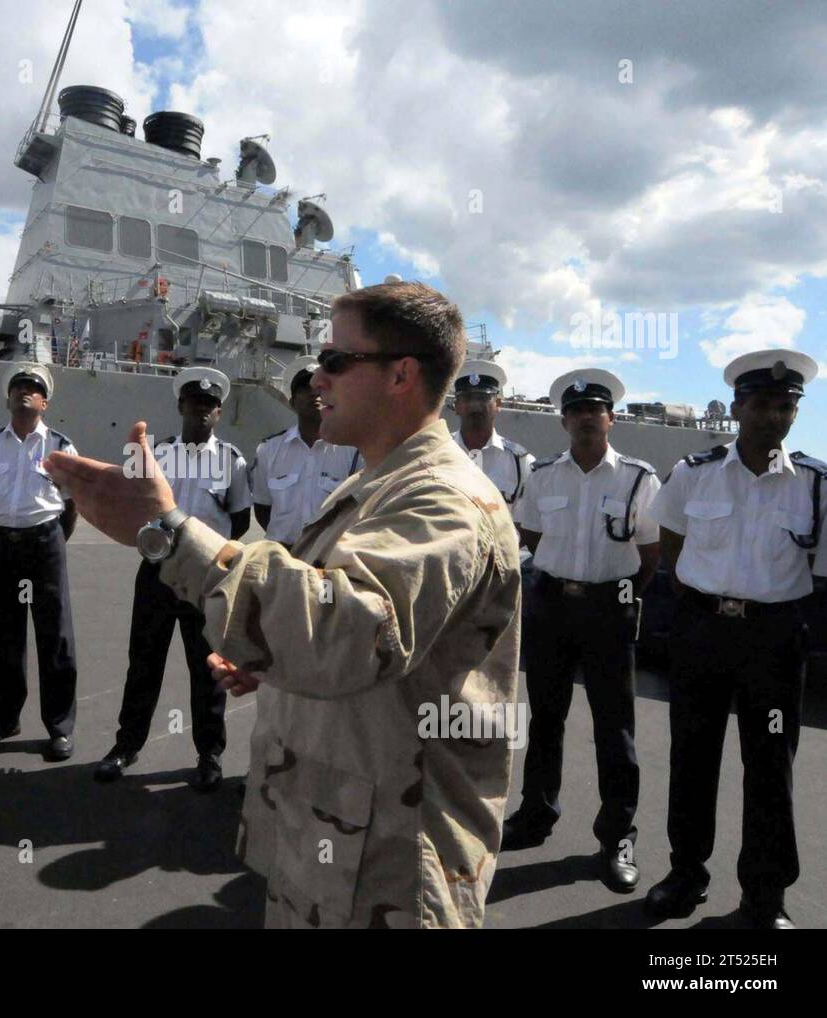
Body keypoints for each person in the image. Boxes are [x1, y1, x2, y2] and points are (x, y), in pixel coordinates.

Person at [45, 281, 522, 928]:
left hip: (390, 869)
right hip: (338, 838)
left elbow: (350, 632)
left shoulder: (442, 498)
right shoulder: (376, 482)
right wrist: (274, 661)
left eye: (335, 361)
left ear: (401, 375)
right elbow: (349, 623)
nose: (315, 378)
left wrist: (169, 532)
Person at [642, 349, 820, 930]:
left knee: (770, 768)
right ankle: (685, 874)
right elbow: (671, 546)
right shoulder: (693, 473)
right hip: (701, 635)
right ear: (738, 407)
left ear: (796, 412)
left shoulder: (816, 486)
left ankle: (765, 898)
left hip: (772, 644)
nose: (773, 415)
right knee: (693, 758)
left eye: (786, 405)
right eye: (762, 404)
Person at [504, 368, 661, 893]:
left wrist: (615, 596)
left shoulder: (639, 478)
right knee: (545, 719)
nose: (586, 419)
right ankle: (535, 815)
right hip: (550, 607)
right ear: (565, 421)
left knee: (614, 730)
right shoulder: (544, 474)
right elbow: (527, 534)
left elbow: (651, 553)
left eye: (595, 410)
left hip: (608, 613)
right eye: (576, 412)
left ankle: (617, 838)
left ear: (611, 418)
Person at [95, 367, 252, 792]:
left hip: (205, 577)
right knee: (144, 662)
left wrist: (205, 555)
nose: (201, 411)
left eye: (209, 406)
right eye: (194, 404)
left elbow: (239, 521)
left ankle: (209, 754)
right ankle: (125, 747)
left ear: (218, 412)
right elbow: (133, 505)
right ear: (181, 406)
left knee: (207, 669)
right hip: (158, 571)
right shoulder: (158, 454)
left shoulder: (232, 460)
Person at [0, 363, 80, 761]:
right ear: (8, 398)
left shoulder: (62, 448)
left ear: (45, 402)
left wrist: (48, 538)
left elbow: (70, 506)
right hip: (3, 546)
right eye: (18, 388)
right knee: (4, 636)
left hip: (45, 544)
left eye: (33, 389)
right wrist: (12, 528)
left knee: (55, 638)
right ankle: (5, 718)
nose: (24, 393)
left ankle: (59, 727)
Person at [251, 355, 362, 546]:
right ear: (292, 403)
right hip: (280, 552)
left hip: (327, 555)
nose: (313, 394)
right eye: (305, 389)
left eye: (320, 389)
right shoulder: (269, 449)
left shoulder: (353, 450)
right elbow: (262, 507)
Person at [451, 359, 533, 509]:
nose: (475, 405)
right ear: (456, 406)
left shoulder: (520, 463)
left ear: (498, 404)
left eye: (483, 398)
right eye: (467, 398)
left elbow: (524, 525)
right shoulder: (438, 452)